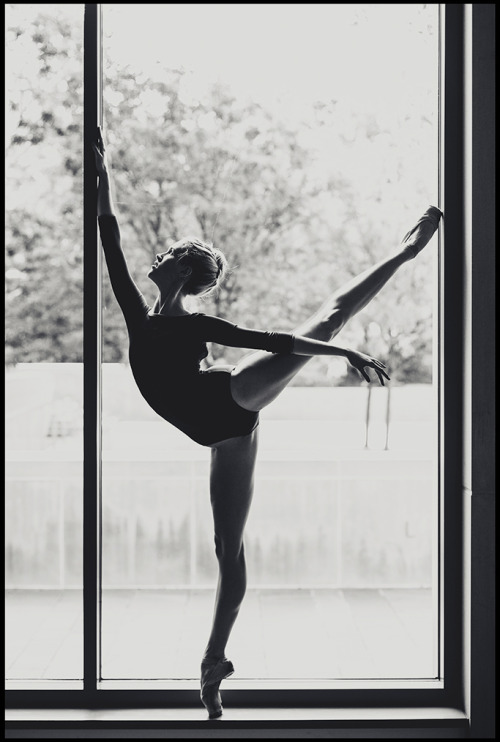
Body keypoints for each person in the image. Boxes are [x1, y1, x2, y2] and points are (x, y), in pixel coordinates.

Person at [92, 127, 442, 718]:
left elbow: (273, 339)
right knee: (225, 546)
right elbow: (109, 234)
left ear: (182, 271)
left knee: (326, 323)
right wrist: (101, 175)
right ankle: (213, 665)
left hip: (228, 401)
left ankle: (405, 251)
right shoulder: (138, 309)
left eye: (169, 254)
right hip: (219, 434)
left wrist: (346, 354)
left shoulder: (196, 322)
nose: (156, 258)